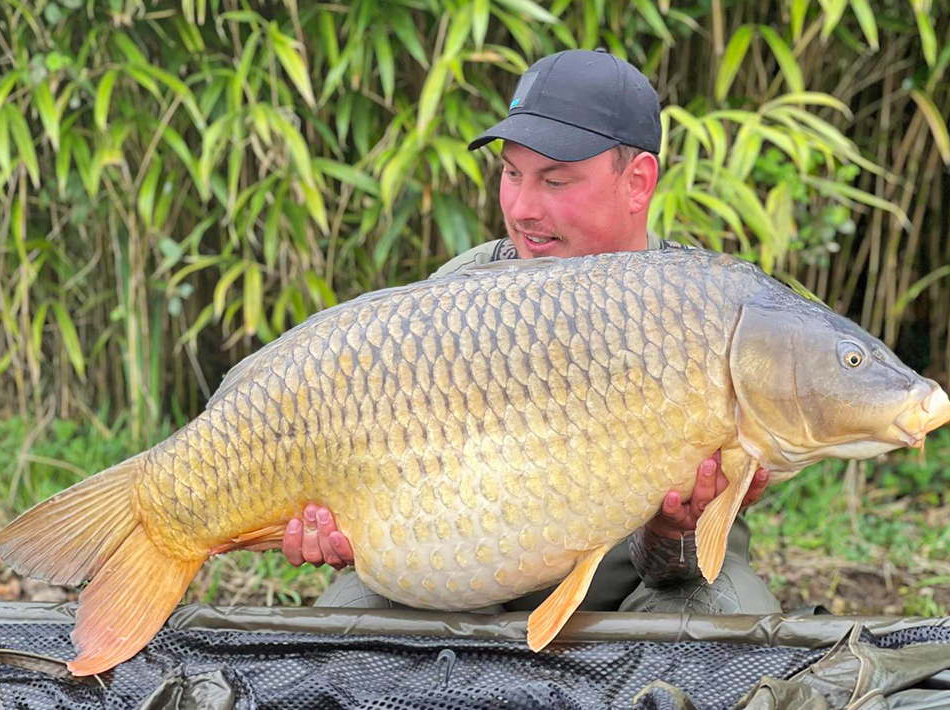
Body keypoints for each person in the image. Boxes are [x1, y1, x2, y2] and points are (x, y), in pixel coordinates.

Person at [280, 49, 782, 616]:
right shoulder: (456, 298)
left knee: (733, 612)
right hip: (474, 578)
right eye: (512, 174)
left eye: (555, 181)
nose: (522, 208)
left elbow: (682, 565)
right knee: (349, 619)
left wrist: (673, 530)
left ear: (638, 181)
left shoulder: (712, 314)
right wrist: (357, 534)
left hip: (643, 586)